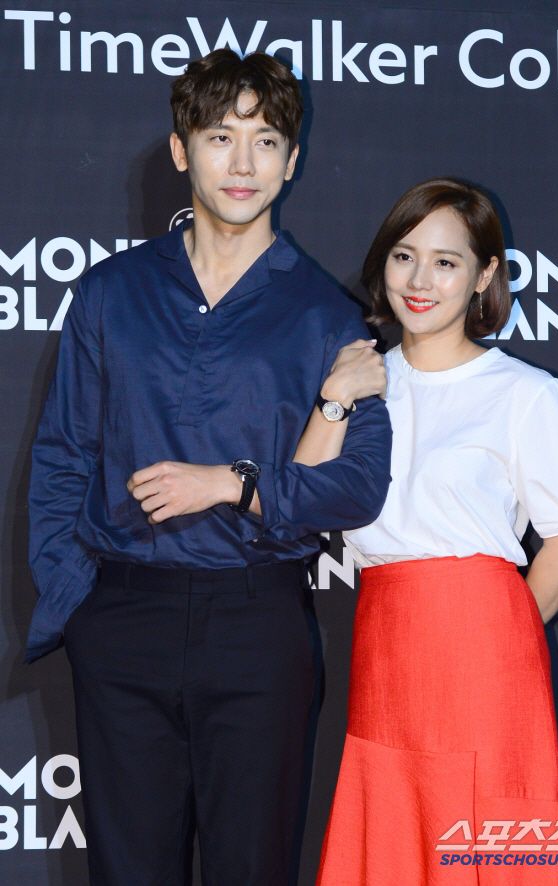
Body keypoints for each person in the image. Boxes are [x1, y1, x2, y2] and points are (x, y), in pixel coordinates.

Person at [27, 49, 391, 885]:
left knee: (252, 868)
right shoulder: (111, 292)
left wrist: (235, 481)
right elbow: (63, 455)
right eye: (221, 136)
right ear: (181, 149)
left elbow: (357, 486)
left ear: (291, 163)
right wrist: (80, 607)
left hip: (257, 626)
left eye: (266, 142)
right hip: (123, 619)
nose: (243, 162)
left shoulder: (327, 316)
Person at [290, 178, 558, 885]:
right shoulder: (358, 382)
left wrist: (500, 639)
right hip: (384, 646)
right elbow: (300, 500)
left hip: (485, 658)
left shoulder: (529, 396)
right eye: (404, 256)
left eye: (446, 262)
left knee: (483, 846)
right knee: (390, 834)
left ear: (484, 276)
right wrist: (336, 397)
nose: (420, 281)